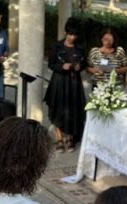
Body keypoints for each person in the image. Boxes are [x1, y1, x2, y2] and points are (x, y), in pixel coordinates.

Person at [44, 17, 86, 153]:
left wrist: (80, 66)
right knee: (58, 108)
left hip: (74, 83)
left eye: (75, 35)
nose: (72, 37)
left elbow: (84, 63)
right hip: (59, 81)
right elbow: (51, 64)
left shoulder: (80, 47)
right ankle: (59, 138)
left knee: (73, 109)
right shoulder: (57, 46)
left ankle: (70, 137)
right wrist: (62, 66)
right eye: (70, 34)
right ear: (66, 32)